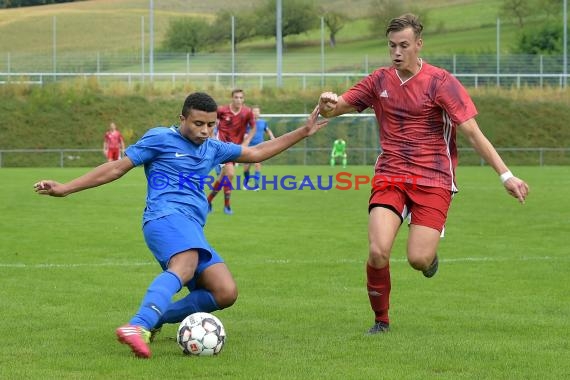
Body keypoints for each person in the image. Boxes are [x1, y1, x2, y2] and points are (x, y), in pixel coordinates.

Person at [34, 92, 328, 358]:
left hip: (191, 226)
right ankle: (138, 325)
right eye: (198, 123)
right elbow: (115, 168)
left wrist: (304, 131)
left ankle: (157, 317)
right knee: (185, 265)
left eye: (210, 124)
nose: (204, 130)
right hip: (163, 218)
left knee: (225, 292)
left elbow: (257, 152)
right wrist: (66, 188)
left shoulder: (213, 148)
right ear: (182, 119)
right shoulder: (159, 138)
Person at [317, 14, 529, 335]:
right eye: (392, 46)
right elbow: (335, 109)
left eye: (404, 45)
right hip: (391, 175)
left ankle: (429, 261)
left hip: (434, 179)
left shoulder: (440, 82)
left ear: (419, 44)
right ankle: (381, 321)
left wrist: (506, 176)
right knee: (377, 250)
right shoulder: (378, 81)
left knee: (418, 258)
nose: (397, 52)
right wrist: (327, 102)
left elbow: (472, 132)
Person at [207, 89, 256, 214]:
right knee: (230, 173)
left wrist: (245, 143)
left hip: (236, 148)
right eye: (236, 97)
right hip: (222, 147)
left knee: (224, 177)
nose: (238, 100)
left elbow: (253, 128)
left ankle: (208, 201)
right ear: (232, 98)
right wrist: (212, 137)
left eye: (241, 97)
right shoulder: (222, 110)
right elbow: (211, 122)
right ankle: (227, 206)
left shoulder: (247, 112)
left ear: (243, 99)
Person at [243, 105, 275, 190]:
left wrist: (272, 137)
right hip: (249, 147)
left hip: (259, 147)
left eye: (257, 111)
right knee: (246, 168)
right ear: (251, 113)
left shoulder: (263, 122)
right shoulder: (248, 123)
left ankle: (256, 185)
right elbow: (244, 133)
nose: (256, 113)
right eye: (254, 111)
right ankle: (246, 183)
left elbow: (268, 130)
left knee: (257, 165)